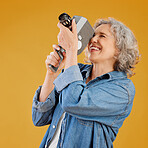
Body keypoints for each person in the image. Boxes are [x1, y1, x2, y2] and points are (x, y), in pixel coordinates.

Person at [32, 17, 140, 148]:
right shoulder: (76, 72)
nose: (93, 39)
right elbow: (39, 117)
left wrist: (72, 49)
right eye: (93, 35)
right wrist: (52, 74)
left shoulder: (122, 90)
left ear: (119, 48)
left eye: (102, 36)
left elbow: (73, 101)